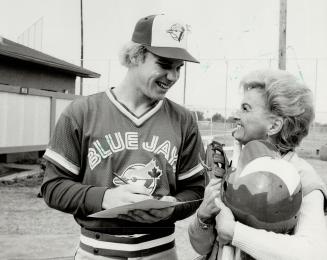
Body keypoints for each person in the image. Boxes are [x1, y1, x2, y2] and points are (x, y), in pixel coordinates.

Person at [41, 14, 206, 260]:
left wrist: (171, 207)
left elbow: (194, 190)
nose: (172, 76)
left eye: (178, 68)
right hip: (98, 250)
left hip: (161, 250)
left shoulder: (183, 119)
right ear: (135, 56)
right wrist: (104, 197)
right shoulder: (81, 112)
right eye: (164, 64)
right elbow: (53, 187)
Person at [188, 69, 327, 260]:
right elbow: (201, 248)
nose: (236, 116)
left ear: (273, 126)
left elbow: (311, 253)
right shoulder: (233, 169)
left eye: (246, 109)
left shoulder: (304, 177)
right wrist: (203, 217)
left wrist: (235, 232)